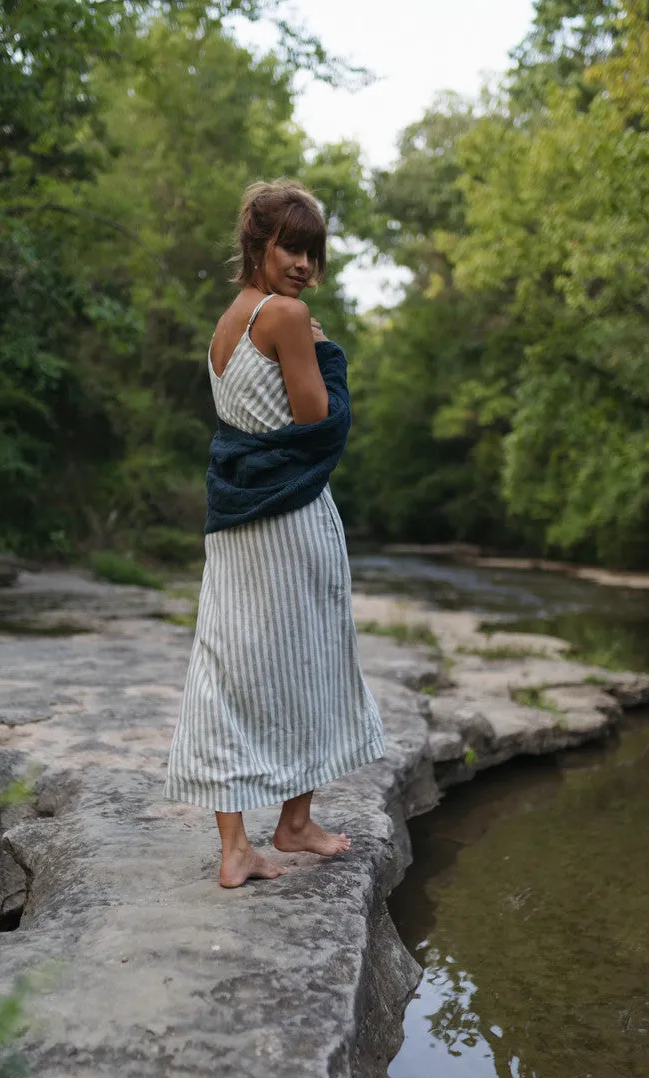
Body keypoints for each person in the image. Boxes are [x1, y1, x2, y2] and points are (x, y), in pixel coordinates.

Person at [164, 179, 385, 887]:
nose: (302, 266)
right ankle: (291, 822)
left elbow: (248, 427)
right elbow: (318, 423)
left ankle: (240, 846)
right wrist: (326, 351)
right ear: (257, 243)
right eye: (291, 247)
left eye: (312, 254)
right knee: (310, 658)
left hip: (234, 522)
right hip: (289, 519)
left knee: (228, 665)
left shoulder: (226, 323)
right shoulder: (288, 317)